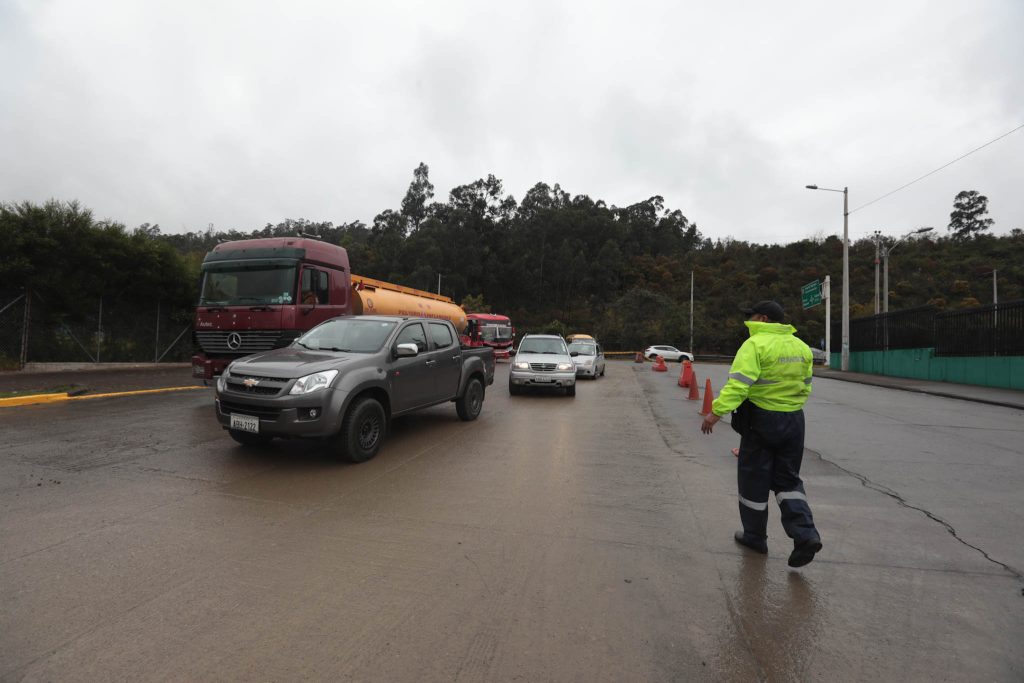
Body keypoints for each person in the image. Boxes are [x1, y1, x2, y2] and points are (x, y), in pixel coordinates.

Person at [700, 300, 822, 567]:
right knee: (788, 481)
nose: (749, 321)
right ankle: (806, 535)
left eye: (752, 316)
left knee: (753, 480)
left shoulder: (755, 345)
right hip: (794, 420)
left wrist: (715, 412)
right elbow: (806, 385)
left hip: (762, 419)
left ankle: (755, 537)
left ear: (764, 319)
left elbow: (739, 385)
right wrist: (789, 407)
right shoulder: (801, 347)